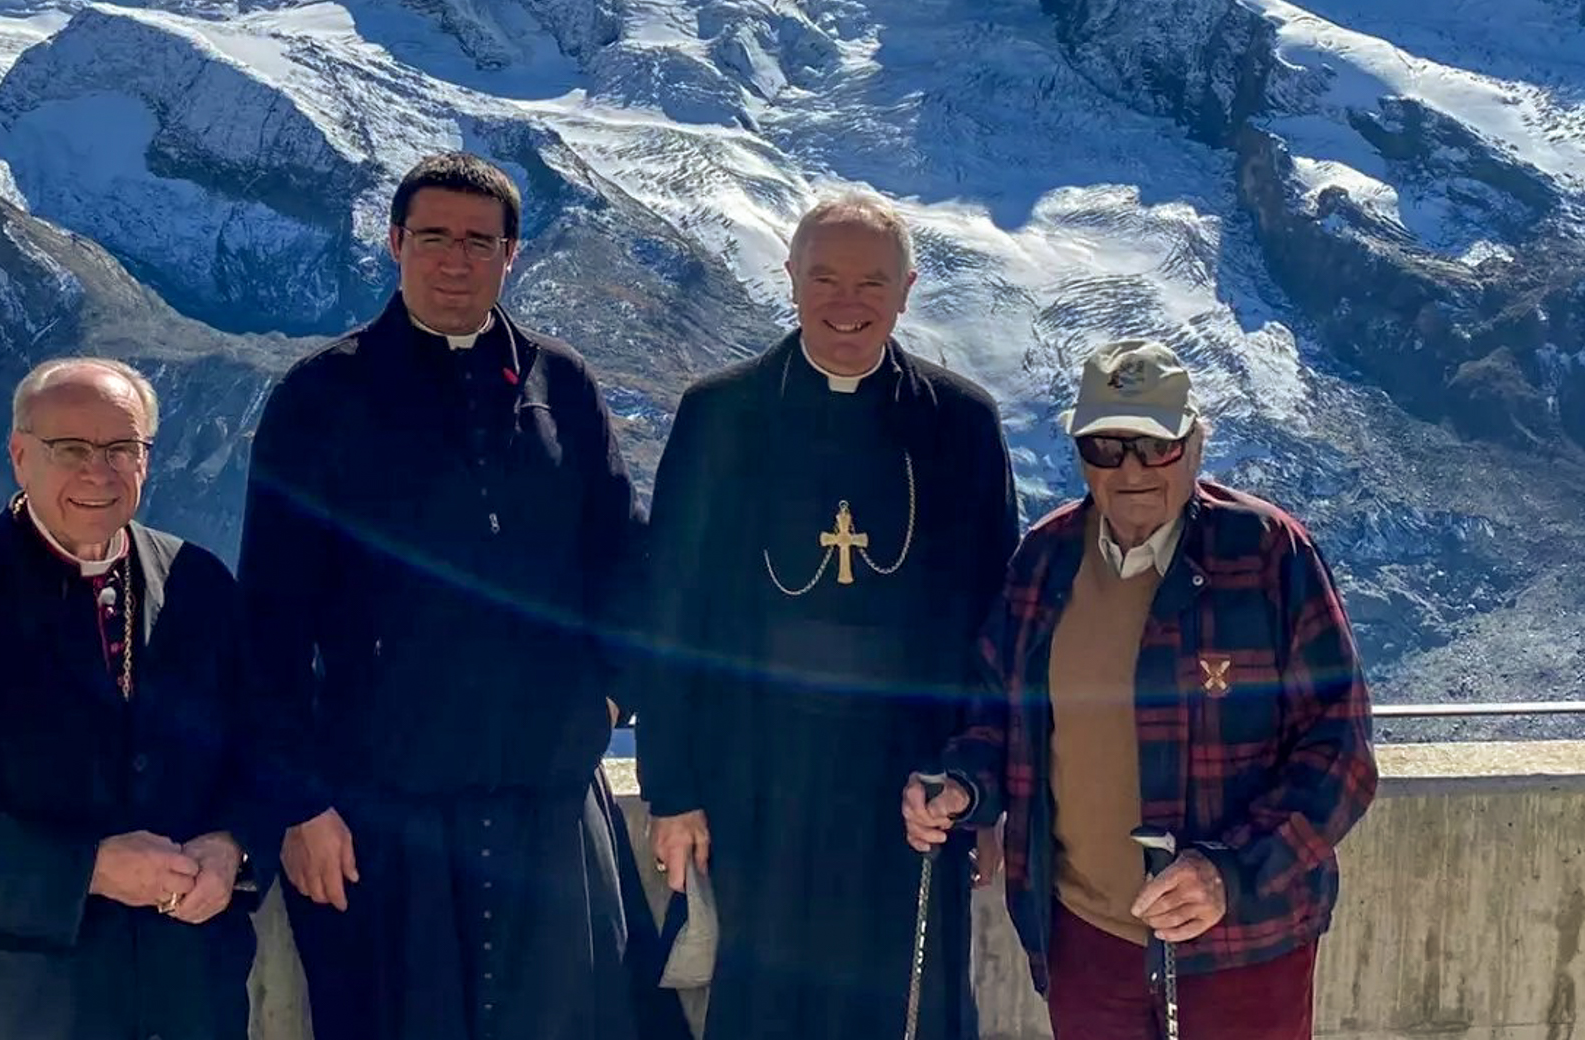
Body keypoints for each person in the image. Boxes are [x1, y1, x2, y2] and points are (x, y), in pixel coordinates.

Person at [238, 152, 648, 1040]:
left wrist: (607, 695)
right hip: (385, 806)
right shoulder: (321, 396)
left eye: (478, 241)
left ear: (512, 254)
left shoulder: (562, 386)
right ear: (394, 244)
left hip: (546, 792)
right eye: (433, 238)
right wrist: (301, 803)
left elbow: (620, 561)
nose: (454, 260)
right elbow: (269, 620)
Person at [904, 339, 1378, 1039]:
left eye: (1154, 446)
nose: (1130, 470)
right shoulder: (1045, 558)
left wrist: (1229, 873)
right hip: (1084, 940)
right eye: (1106, 447)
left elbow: (1341, 751)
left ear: (1193, 445)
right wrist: (963, 787)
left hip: (1240, 945)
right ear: (1080, 455)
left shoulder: (1268, 553)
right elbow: (997, 717)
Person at [633, 191, 1018, 1038]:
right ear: (791, 280)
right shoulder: (721, 414)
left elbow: (999, 631)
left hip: (912, 780)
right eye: (826, 279)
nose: (848, 304)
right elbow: (668, 613)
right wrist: (672, 788)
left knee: (912, 1005)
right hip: (758, 774)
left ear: (907, 289)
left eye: (871, 282)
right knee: (769, 1004)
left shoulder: (959, 424)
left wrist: (991, 797)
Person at [0, 358, 289, 1040]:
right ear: (20, 455)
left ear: (147, 460)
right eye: (71, 449)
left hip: (184, 1000)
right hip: (12, 1007)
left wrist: (231, 843)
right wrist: (90, 868)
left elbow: (260, 753)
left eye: (122, 448)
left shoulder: (199, 587)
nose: (98, 471)